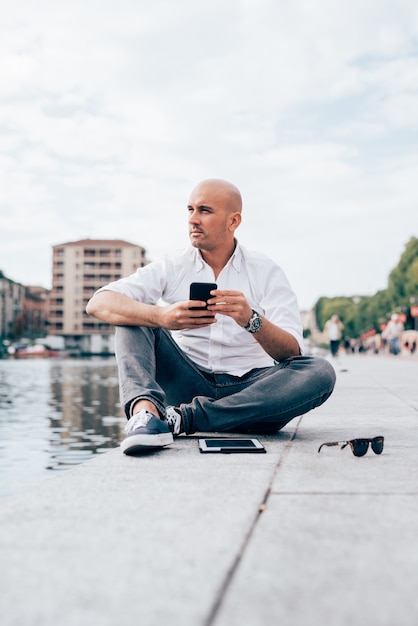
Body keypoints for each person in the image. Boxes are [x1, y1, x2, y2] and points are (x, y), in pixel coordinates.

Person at [86, 179, 336, 454]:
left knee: (320, 372)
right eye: (190, 209)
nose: (193, 220)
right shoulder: (173, 265)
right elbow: (99, 303)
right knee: (133, 314)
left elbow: (292, 353)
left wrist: (252, 321)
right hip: (187, 383)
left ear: (233, 221)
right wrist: (162, 316)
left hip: (251, 391)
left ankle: (182, 420)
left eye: (204, 211)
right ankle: (145, 416)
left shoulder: (266, 270)